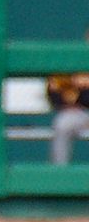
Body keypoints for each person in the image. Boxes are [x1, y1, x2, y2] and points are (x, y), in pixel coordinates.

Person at [46, 28, 89, 165]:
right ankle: (58, 176)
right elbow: (54, 92)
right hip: (81, 114)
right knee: (63, 123)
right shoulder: (73, 59)